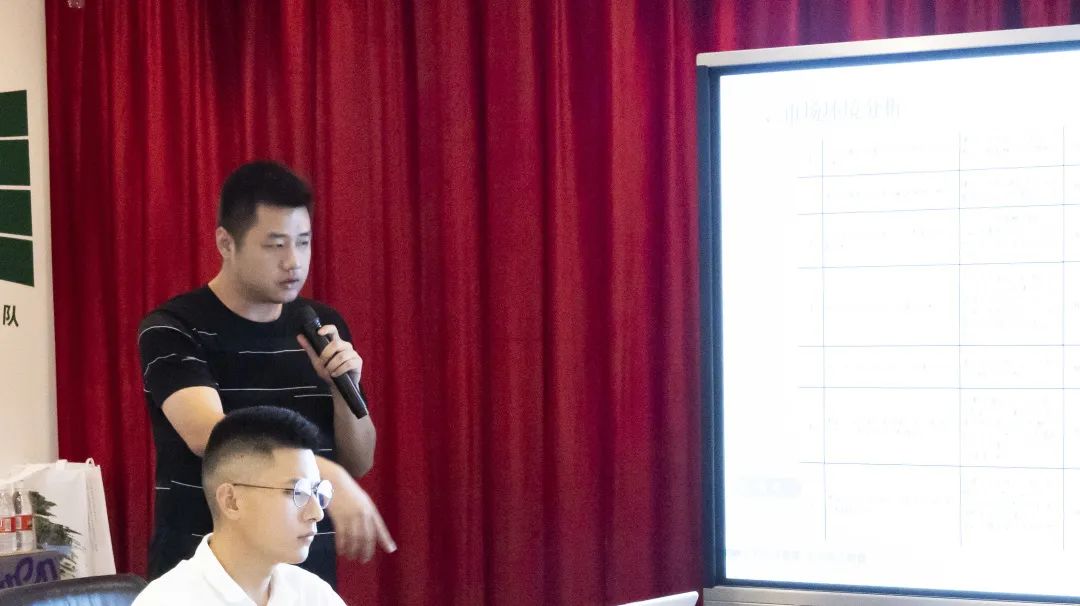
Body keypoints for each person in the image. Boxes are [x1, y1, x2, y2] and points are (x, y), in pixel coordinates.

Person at [138, 161, 394, 587]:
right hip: (205, 574)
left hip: (305, 574)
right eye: (275, 245)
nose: (293, 262)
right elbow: (211, 435)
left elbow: (358, 460)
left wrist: (340, 389)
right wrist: (323, 473)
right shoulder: (174, 327)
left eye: (303, 242)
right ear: (226, 242)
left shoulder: (320, 326)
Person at [133, 406, 349, 605]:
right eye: (297, 492)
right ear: (231, 501)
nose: (317, 513)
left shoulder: (314, 595)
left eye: (317, 491)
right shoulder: (166, 600)